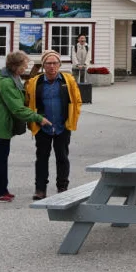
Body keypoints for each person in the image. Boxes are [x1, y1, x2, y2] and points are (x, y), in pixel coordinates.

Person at [0, 51, 51, 203]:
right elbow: (17, 108)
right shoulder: (6, 82)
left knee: (1, 157)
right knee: (0, 158)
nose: (26, 67)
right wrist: (38, 118)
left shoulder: (11, 77)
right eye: (24, 65)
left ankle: (1, 189)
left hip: (3, 123)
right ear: (15, 66)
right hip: (0, 124)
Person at [25, 50, 82, 200]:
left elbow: (77, 101)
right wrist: (33, 122)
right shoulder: (34, 82)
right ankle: (40, 189)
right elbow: (28, 102)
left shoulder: (67, 80)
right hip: (42, 126)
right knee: (41, 158)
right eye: (48, 63)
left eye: (54, 63)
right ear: (43, 65)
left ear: (59, 65)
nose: (51, 66)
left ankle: (62, 187)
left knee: (62, 157)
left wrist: (72, 119)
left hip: (63, 126)